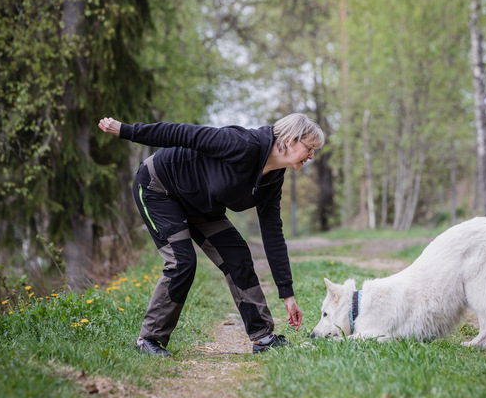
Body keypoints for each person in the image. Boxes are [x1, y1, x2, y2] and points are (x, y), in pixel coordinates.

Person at [97, 113, 325, 356]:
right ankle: (149, 340)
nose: (311, 156)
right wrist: (127, 130)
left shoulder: (274, 179)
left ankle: (263, 338)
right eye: (309, 148)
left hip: (199, 205)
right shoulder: (242, 144)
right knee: (181, 261)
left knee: (237, 255)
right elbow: (182, 133)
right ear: (290, 139)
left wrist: (287, 293)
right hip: (159, 187)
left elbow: (273, 233)